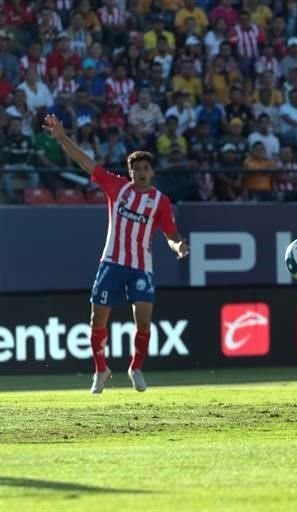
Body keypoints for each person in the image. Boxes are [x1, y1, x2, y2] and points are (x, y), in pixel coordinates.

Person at [43, 114, 189, 394]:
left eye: (146, 168)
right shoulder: (117, 187)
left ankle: (136, 368)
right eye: (137, 169)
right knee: (97, 320)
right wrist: (62, 138)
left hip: (140, 268)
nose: (142, 173)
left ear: (152, 172)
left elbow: (171, 235)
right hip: (111, 263)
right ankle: (101, 370)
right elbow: (86, 162)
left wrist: (179, 247)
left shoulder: (160, 201)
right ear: (130, 172)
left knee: (143, 319)